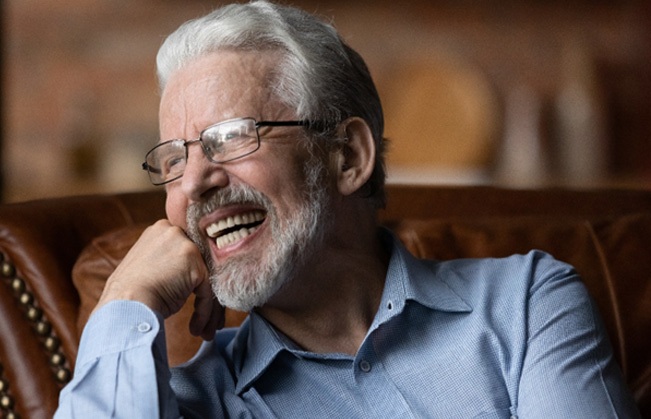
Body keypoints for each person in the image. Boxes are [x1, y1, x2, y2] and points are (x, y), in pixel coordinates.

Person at [55, 1, 640, 417]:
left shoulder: (527, 306)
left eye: (231, 136)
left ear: (347, 156)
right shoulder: (192, 402)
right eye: (174, 159)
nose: (196, 182)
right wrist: (124, 301)